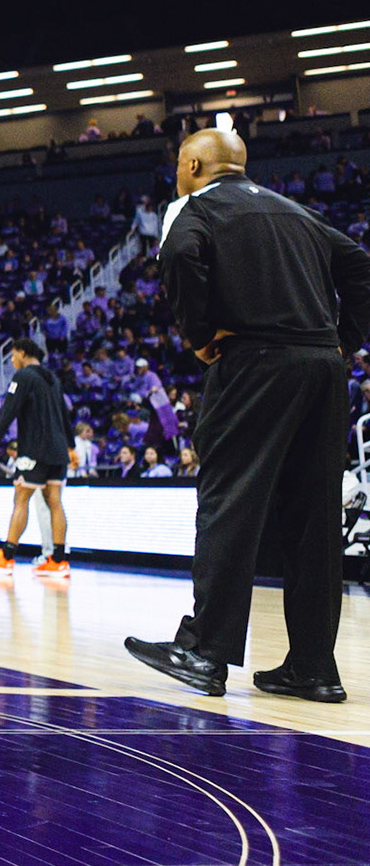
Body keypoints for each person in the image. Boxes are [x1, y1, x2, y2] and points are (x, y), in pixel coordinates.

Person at [127, 129, 370, 702]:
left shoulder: (192, 209)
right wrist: (343, 342)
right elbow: (361, 265)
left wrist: (199, 334)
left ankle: (204, 652)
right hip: (323, 370)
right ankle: (313, 667)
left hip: (255, 363)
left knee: (228, 502)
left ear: (191, 164)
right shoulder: (297, 212)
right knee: (314, 520)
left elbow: (182, 255)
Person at [0, 339, 73, 577]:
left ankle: (6, 556)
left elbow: (8, 412)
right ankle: (59, 560)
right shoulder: (52, 379)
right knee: (55, 502)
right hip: (58, 450)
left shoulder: (24, 376)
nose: (12, 361)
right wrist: (71, 447)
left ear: (23, 353)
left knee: (21, 498)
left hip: (35, 447)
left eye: (14, 356)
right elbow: (64, 415)